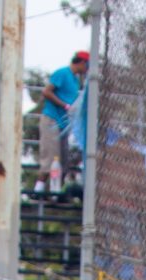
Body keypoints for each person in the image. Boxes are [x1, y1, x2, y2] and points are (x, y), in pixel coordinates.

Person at [36, 50, 88, 192]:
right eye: (87, 65)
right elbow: (47, 92)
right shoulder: (62, 73)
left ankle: (55, 193)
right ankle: (37, 191)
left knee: (63, 160)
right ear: (82, 62)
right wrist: (64, 105)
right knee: (51, 159)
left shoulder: (75, 80)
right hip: (51, 120)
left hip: (63, 125)